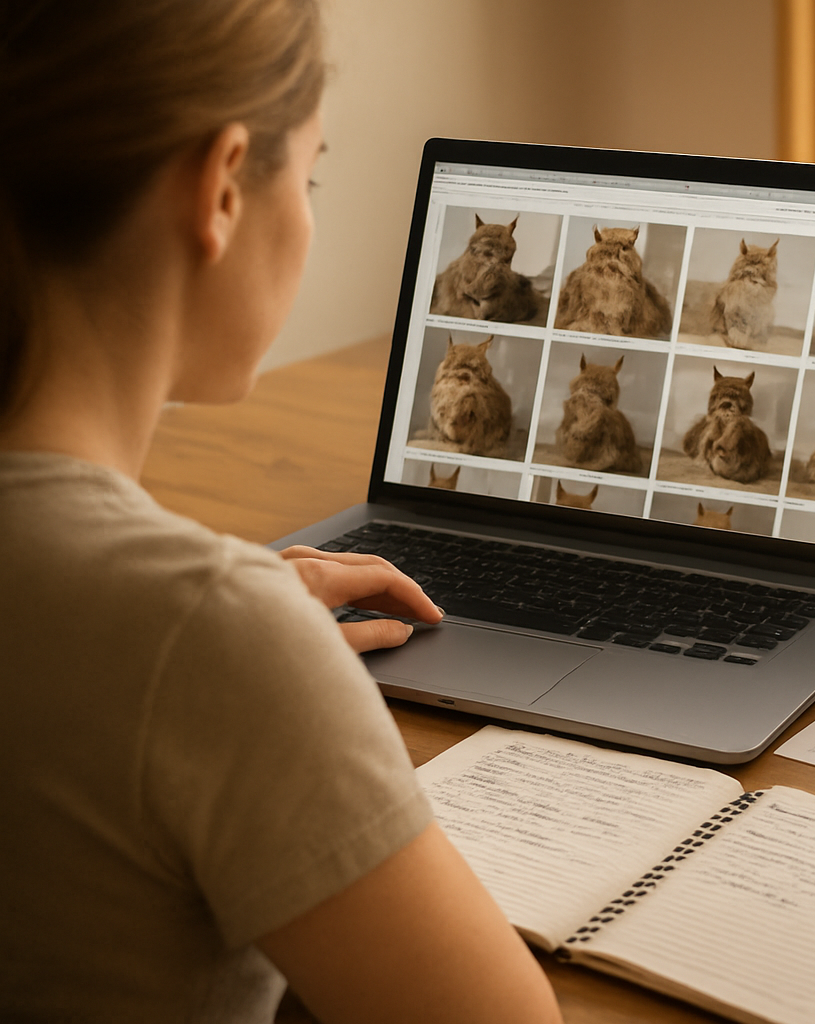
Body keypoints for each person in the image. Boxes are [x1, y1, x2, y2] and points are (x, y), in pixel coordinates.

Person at [0, 2, 562, 1021]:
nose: (306, 212)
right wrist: (231, 643)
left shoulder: (187, 628)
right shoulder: (210, 638)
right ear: (220, 189)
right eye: (308, 178)